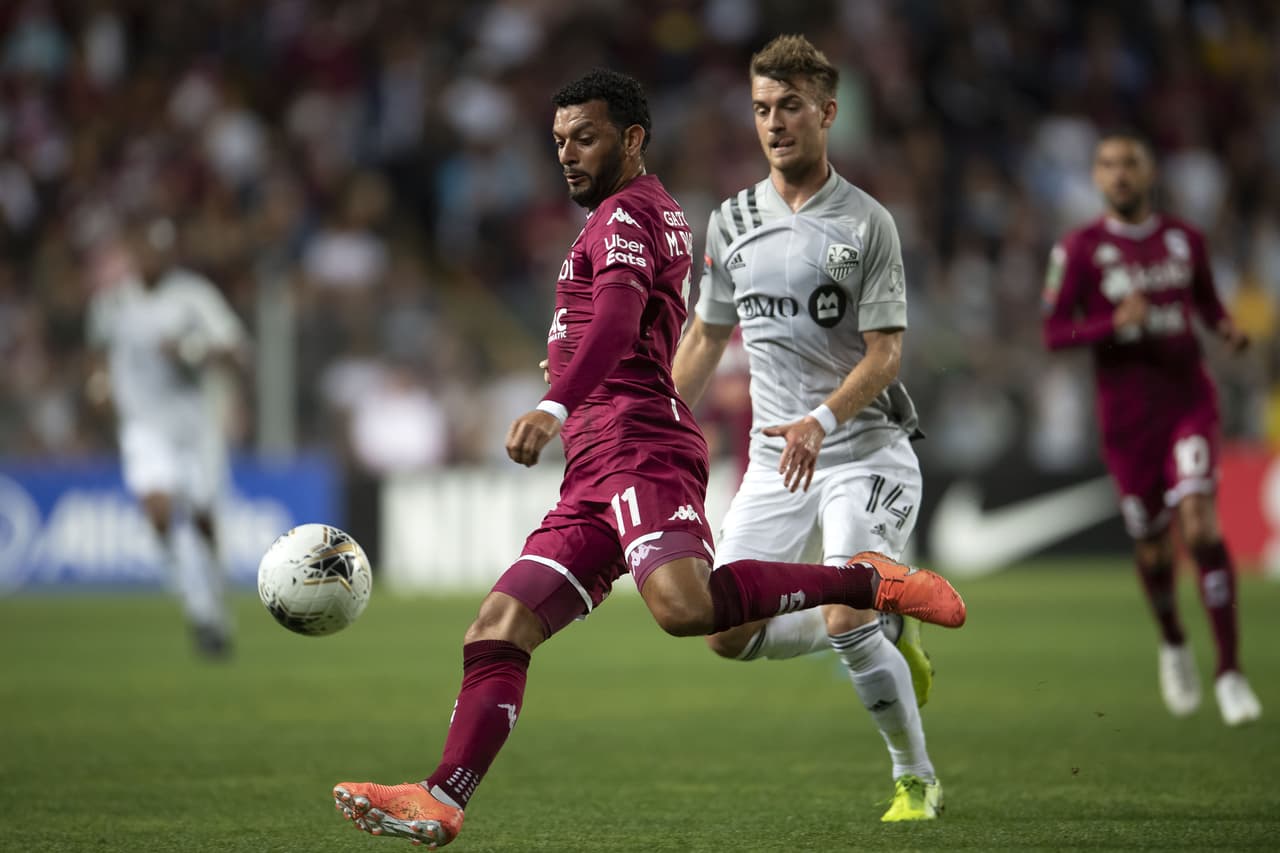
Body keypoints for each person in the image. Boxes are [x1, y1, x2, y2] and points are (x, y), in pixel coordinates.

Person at [331, 68, 966, 849]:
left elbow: (621, 318)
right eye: (559, 140)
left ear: (631, 139)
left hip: (638, 446)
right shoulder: (621, 216)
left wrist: (555, 401)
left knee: (686, 608)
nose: (567, 154)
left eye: (585, 138)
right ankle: (441, 796)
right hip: (594, 462)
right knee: (497, 626)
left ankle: (871, 583)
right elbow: (628, 330)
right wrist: (571, 375)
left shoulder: (631, 213)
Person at [671, 35, 942, 822]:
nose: (775, 123)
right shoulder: (730, 221)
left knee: (843, 615)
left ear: (828, 112)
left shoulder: (868, 223)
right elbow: (703, 339)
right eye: (761, 109)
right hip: (773, 457)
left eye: (791, 107)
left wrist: (821, 419)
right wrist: (653, 415)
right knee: (724, 627)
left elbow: (887, 354)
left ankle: (915, 776)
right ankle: (889, 616)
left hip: (865, 449)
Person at [1042, 130, 1261, 726]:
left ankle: (1231, 672)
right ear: (1095, 176)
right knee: (1154, 548)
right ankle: (1173, 643)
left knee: (1201, 523)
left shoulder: (1184, 240)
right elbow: (1055, 333)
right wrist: (1111, 325)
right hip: (1126, 421)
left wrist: (1227, 328)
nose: (1119, 174)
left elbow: (1209, 304)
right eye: (1108, 164)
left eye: (1129, 163)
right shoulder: (1079, 250)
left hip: (1189, 402)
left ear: (1149, 173)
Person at [85, 215, 249, 659]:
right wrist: (98, 388)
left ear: (170, 254)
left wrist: (193, 350)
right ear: (135, 253)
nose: (151, 258)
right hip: (143, 425)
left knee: (202, 518)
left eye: (160, 250)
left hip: (194, 426)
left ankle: (216, 605)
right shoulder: (113, 302)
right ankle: (198, 611)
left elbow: (237, 349)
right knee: (159, 513)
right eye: (144, 249)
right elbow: (99, 355)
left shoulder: (192, 296)